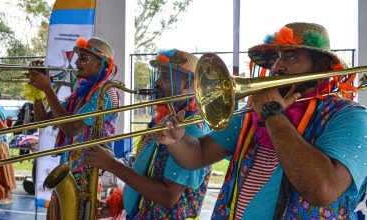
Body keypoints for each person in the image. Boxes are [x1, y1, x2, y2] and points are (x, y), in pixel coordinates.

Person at [153, 23, 367, 219]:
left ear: (321, 68)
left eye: (291, 58)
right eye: (276, 58)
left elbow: (323, 189)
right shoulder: (253, 113)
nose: (277, 67)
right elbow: (198, 155)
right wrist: (176, 141)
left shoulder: (350, 116)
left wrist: (272, 114)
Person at [84, 49, 212, 219]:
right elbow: (147, 174)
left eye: (166, 77)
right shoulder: (164, 120)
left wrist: (112, 164)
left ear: (188, 85)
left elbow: (168, 196)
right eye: (159, 75)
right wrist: (122, 202)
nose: (157, 81)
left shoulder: (191, 129)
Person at [29, 37, 120, 219]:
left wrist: (48, 89)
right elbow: (42, 120)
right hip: (69, 174)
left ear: (100, 64)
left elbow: (71, 129)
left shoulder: (106, 93)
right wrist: (37, 93)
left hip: (86, 177)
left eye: (83, 58)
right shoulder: (79, 94)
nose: (77, 62)